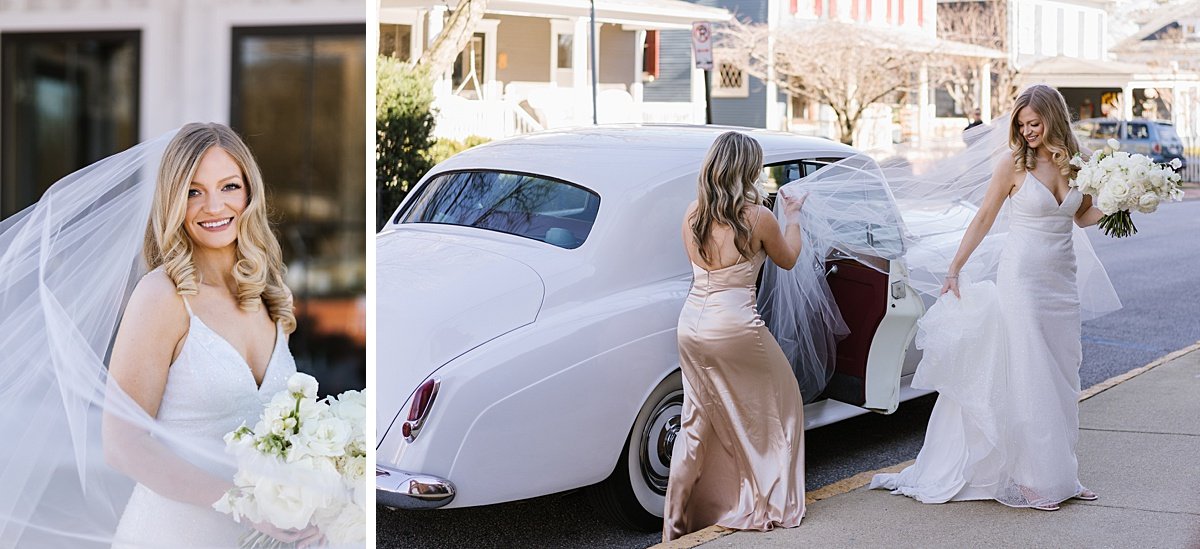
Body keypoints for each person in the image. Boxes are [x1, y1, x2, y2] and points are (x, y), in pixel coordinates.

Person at [0, 124, 329, 547]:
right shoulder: (163, 297)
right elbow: (123, 445)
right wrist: (241, 504)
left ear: (249, 192)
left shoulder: (269, 293)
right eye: (194, 192)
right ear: (174, 200)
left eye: (229, 186)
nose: (214, 206)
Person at [870, 84, 1110, 510]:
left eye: (1035, 123)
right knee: (1031, 374)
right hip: (1022, 281)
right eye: (1022, 124)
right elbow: (984, 216)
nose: (1029, 131)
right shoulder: (1013, 166)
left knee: (1062, 375)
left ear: (1054, 118)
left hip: (1061, 282)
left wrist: (1120, 201)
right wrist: (955, 267)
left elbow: (1082, 216)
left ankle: (1064, 474)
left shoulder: (1079, 163)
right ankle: (1035, 480)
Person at [663, 131, 809, 541]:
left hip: (691, 324)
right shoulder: (758, 217)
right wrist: (793, 216)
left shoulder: (692, 214)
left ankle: (679, 518)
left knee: (700, 418)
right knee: (781, 406)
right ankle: (768, 499)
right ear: (747, 169)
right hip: (736, 326)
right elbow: (789, 259)